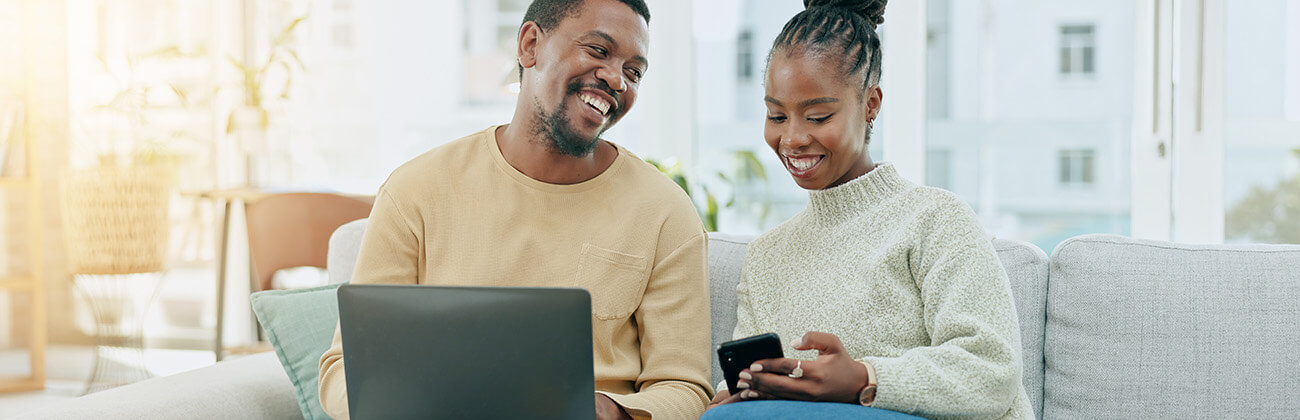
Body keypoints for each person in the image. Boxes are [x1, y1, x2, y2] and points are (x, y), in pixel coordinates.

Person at [316, 0, 714, 418]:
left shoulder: (666, 211)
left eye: (633, 72)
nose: (617, 79)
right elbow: (344, 368)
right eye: (598, 51)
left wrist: (612, 412)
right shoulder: (415, 191)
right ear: (530, 45)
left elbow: (684, 386)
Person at [703, 1, 1033, 419]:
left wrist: (865, 379)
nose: (792, 138)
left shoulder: (934, 218)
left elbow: (992, 372)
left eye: (818, 116)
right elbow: (749, 379)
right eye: (776, 115)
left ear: (871, 104)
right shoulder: (768, 255)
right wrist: (733, 394)